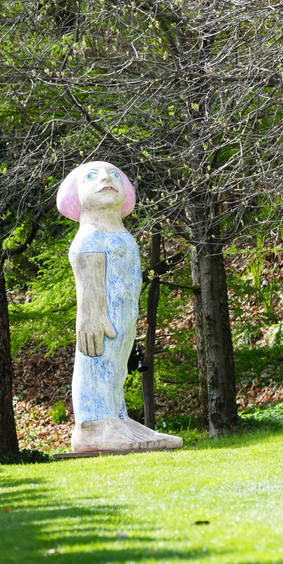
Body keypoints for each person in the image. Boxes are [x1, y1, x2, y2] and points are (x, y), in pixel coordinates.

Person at [57, 161, 182, 452]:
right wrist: (90, 315)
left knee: (116, 367)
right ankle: (93, 423)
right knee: (97, 360)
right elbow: (89, 286)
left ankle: (115, 415)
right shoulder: (89, 237)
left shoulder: (121, 235)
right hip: (101, 320)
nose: (106, 179)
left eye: (114, 175)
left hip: (124, 317)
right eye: (92, 176)